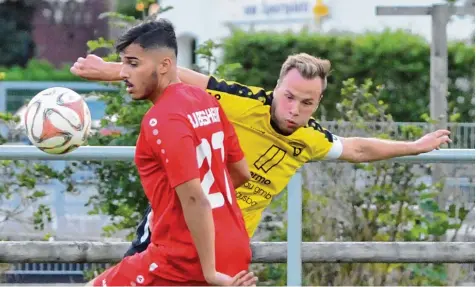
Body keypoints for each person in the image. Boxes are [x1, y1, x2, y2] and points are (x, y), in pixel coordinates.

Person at [72, 50, 452, 257]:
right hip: (172, 229)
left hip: (226, 247)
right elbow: (180, 76)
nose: (294, 110)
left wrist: (415, 146)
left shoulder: (311, 138)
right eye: (288, 97)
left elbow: (357, 147)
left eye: (307, 103)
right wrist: (109, 70)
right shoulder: (241, 102)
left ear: (318, 102)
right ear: (275, 89)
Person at [85, 19, 258, 287]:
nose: (123, 73)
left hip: (185, 259)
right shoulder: (206, 101)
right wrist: (168, 210)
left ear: (165, 65)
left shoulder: (162, 118)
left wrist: (209, 272)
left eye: (133, 63)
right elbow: (241, 173)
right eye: (123, 63)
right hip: (233, 248)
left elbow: (195, 199)